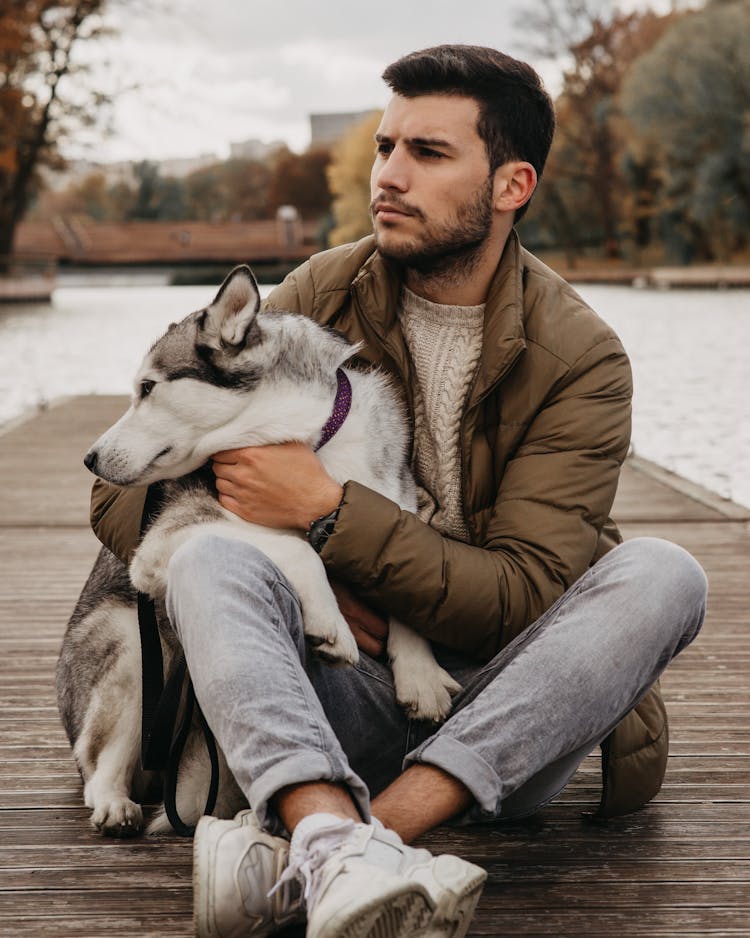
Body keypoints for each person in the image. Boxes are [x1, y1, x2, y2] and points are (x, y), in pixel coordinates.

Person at [91, 45, 708, 938]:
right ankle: (336, 843)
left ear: (510, 184)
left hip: (501, 713)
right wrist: (234, 475)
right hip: (319, 686)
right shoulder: (317, 297)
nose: (389, 175)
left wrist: (325, 514)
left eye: (428, 153)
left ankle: (338, 841)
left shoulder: (583, 358)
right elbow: (114, 499)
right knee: (208, 553)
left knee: (665, 573)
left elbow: (522, 599)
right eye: (385, 148)